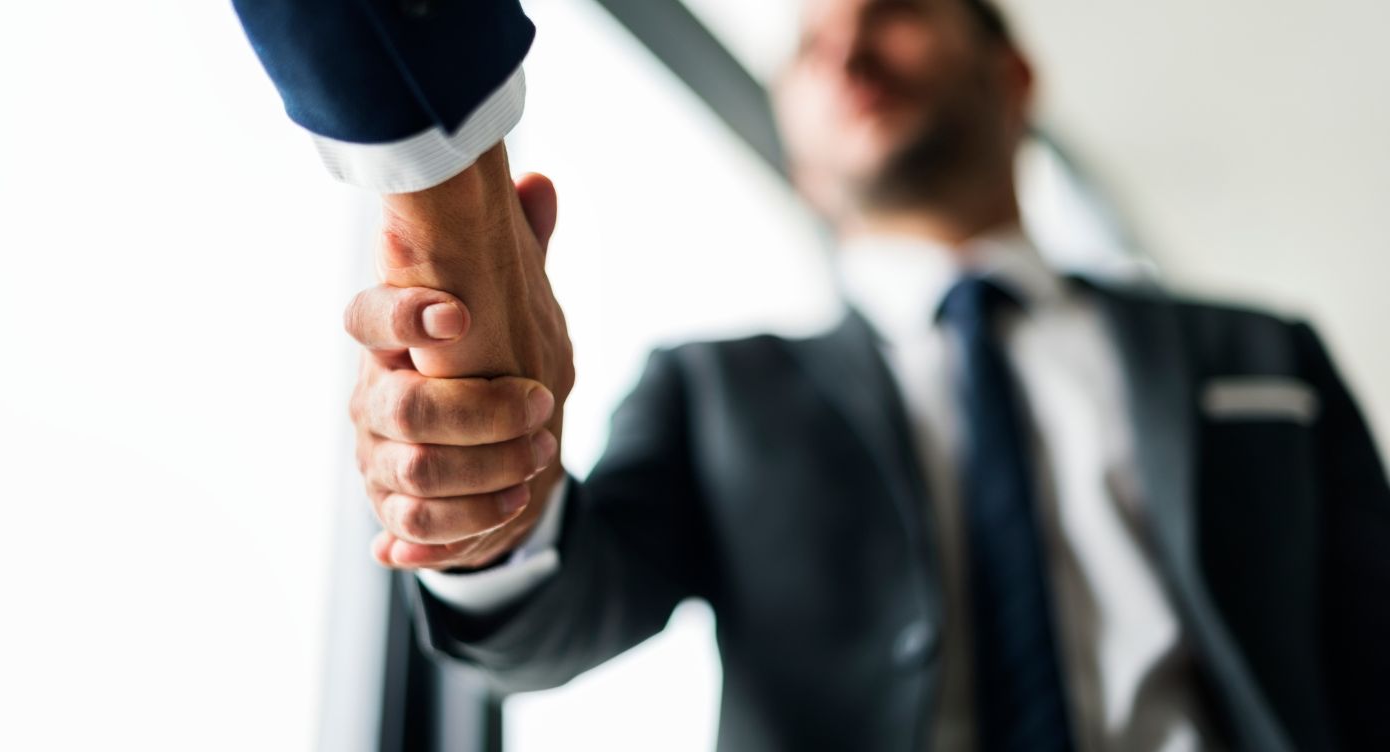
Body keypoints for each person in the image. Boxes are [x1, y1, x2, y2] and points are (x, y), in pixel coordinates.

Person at [237, 0, 1390, 749]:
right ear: (794, 145)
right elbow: (563, 619)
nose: (846, 48)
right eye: (811, 45)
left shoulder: (1262, 353)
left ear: (1013, 77)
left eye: (896, 11)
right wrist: (489, 503)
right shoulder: (715, 390)